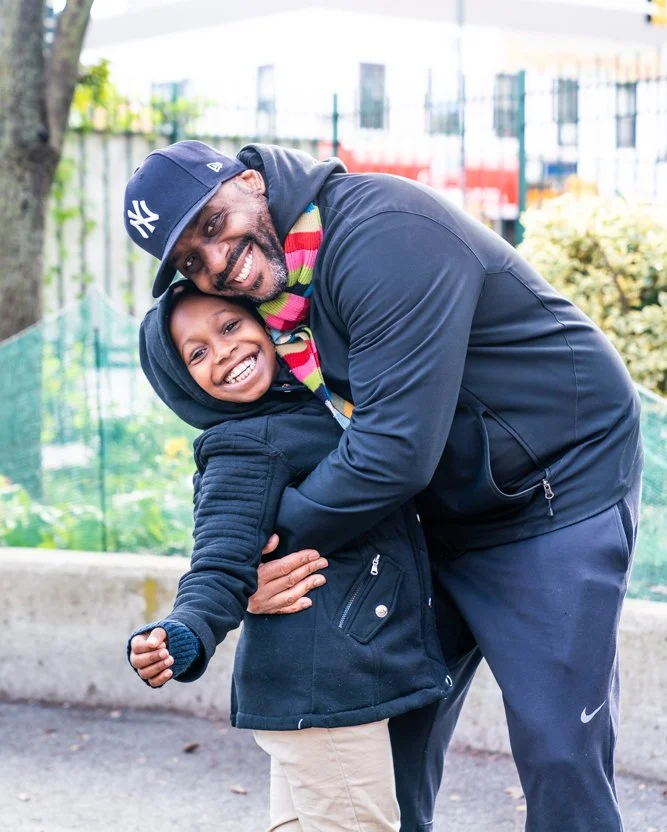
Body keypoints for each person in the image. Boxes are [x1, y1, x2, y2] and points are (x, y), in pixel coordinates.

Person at [124, 140, 643, 832]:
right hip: (428, 508)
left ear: (250, 181)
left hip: (551, 485)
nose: (216, 262)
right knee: (383, 742)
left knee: (556, 748)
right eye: (192, 259)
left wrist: (257, 558)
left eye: (214, 226)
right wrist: (226, 578)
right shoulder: (269, 309)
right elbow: (272, 469)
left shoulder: (383, 234)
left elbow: (392, 450)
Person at [128, 281, 452, 832]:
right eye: (198, 352)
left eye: (230, 326)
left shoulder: (318, 401)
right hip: (324, 688)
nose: (224, 349)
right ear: (181, 383)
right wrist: (184, 632)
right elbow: (219, 559)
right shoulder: (241, 446)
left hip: (322, 690)